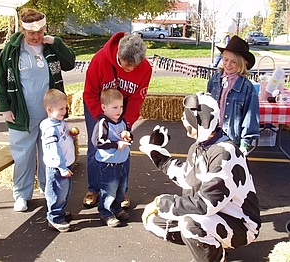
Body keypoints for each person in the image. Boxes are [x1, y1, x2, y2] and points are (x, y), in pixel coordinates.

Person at [139, 92, 261, 262]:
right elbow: (185, 177)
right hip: (213, 216)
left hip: (240, 224)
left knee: (190, 224)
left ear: (198, 120)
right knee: (153, 222)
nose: (182, 118)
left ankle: (216, 257)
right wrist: (156, 152)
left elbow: (206, 204)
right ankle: (212, 245)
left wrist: (162, 203)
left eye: (186, 115)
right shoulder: (200, 147)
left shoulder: (225, 153)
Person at [0, 8, 75, 212]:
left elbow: (70, 63)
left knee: (50, 154)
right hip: (22, 113)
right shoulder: (12, 50)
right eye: (32, 33)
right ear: (23, 30)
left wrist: (56, 42)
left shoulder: (50, 46)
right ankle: (22, 194)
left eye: (40, 32)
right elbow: (1, 80)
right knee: (23, 156)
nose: (36, 36)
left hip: (50, 114)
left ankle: (49, 191)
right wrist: (5, 108)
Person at [82, 32, 152, 208]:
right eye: (127, 65)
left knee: (123, 145)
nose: (130, 70)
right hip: (99, 105)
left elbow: (137, 99)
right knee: (96, 145)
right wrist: (102, 119)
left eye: (134, 66)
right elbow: (90, 93)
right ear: (119, 55)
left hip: (123, 106)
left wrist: (126, 124)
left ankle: (121, 191)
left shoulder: (145, 68)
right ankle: (94, 189)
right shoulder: (99, 60)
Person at [207, 35, 259, 155]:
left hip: (232, 140)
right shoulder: (214, 80)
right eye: (226, 60)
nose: (228, 64)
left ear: (243, 63)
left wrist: (245, 144)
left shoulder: (247, 87)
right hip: (212, 136)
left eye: (233, 62)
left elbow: (250, 118)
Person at [91, 89, 132, 227]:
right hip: (108, 163)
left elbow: (128, 135)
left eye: (121, 106)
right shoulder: (103, 123)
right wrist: (116, 144)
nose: (118, 110)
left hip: (122, 161)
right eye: (114, 107)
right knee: (109, 189)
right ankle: (106, 212)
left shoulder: (122, 121)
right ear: (104, 107)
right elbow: (98, 142)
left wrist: (128, 137)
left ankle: (116, 208)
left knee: (121, 188)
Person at [39, 89, 75, 232]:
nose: (64, 111)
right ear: (49, 109)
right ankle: (54, 217)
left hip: (65, 164)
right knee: (56, 192)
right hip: (57, 167)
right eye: (61, 108)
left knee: (65, 191)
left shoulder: (60, 122)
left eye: (65, 108)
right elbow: (53, 150)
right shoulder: (50, 129)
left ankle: (59, 210)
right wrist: (61, 166)